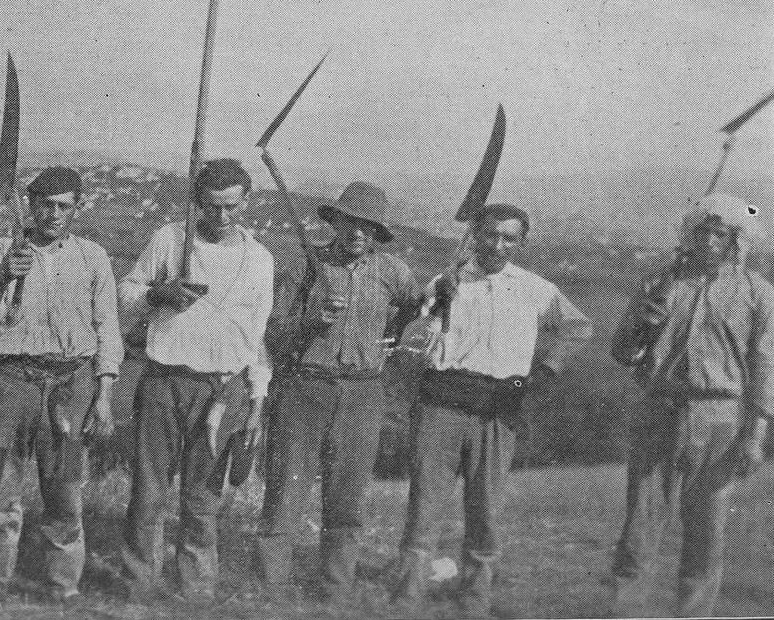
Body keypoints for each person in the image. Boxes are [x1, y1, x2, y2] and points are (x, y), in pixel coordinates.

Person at [389, 203, 592, 618]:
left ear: (520, 242)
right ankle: (407, 595)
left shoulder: (535, 288)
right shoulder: (447, 280)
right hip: (443, 402)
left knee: (486, 508)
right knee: (425, 501)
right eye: (490, 235)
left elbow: (578, 327)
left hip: (499, 407)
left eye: (509, 238)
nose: (498, 245)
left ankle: (475, 597)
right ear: (476, 235)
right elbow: (408, 336)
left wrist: (547, 368)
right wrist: (431, 307)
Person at [608, 192, 774, 618]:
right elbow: (623, 352)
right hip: (660, 410)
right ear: (690, 235)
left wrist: (755, 437)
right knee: (641, 524)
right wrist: (642, 325)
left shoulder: (758, 293)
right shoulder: (658, 284)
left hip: (721, 419)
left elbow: (766, 367)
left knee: (706, 531)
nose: (711, 242)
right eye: (703, 231)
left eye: (721, 234)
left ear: (737, 241)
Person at [255, 181, 422, 602]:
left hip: (364, 393)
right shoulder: (307, 268)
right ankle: (271, 591)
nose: (359, 233)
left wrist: (394, 334)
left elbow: (417, 309)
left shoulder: (393, 273)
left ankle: (335, 591)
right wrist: (311, 320)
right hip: (305, 389)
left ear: (377, 232)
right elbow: (274, 334)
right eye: (352, 222)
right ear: (336, 221)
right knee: (286, 491)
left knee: (347, 498)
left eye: (369, 227)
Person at [117, 158, 273, 602]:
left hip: (221, 392)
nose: (221, 217)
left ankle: (197, 592)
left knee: (203, 500)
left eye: (231, 208)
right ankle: (138, 587)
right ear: (196, 202)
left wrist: (258, 398)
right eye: (210, 207)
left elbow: (256, 336)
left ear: (245, 204)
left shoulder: (259, 260)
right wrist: (155, 294)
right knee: (148, 493)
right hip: (164, 382)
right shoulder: (171, 240)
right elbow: (126, 293)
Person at [0, 166, 122, 603]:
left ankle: (63, 586)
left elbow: (107, 326)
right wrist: (4, 276)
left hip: (71, 383)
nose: (53, 214)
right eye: (45, 205)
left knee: (65, 487)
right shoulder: (3, 249)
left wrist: (105, 391)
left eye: (63, 206)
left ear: (76, 209)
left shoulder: (92, 257)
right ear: (30, 206)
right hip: (13, 379)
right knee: (1, 481)